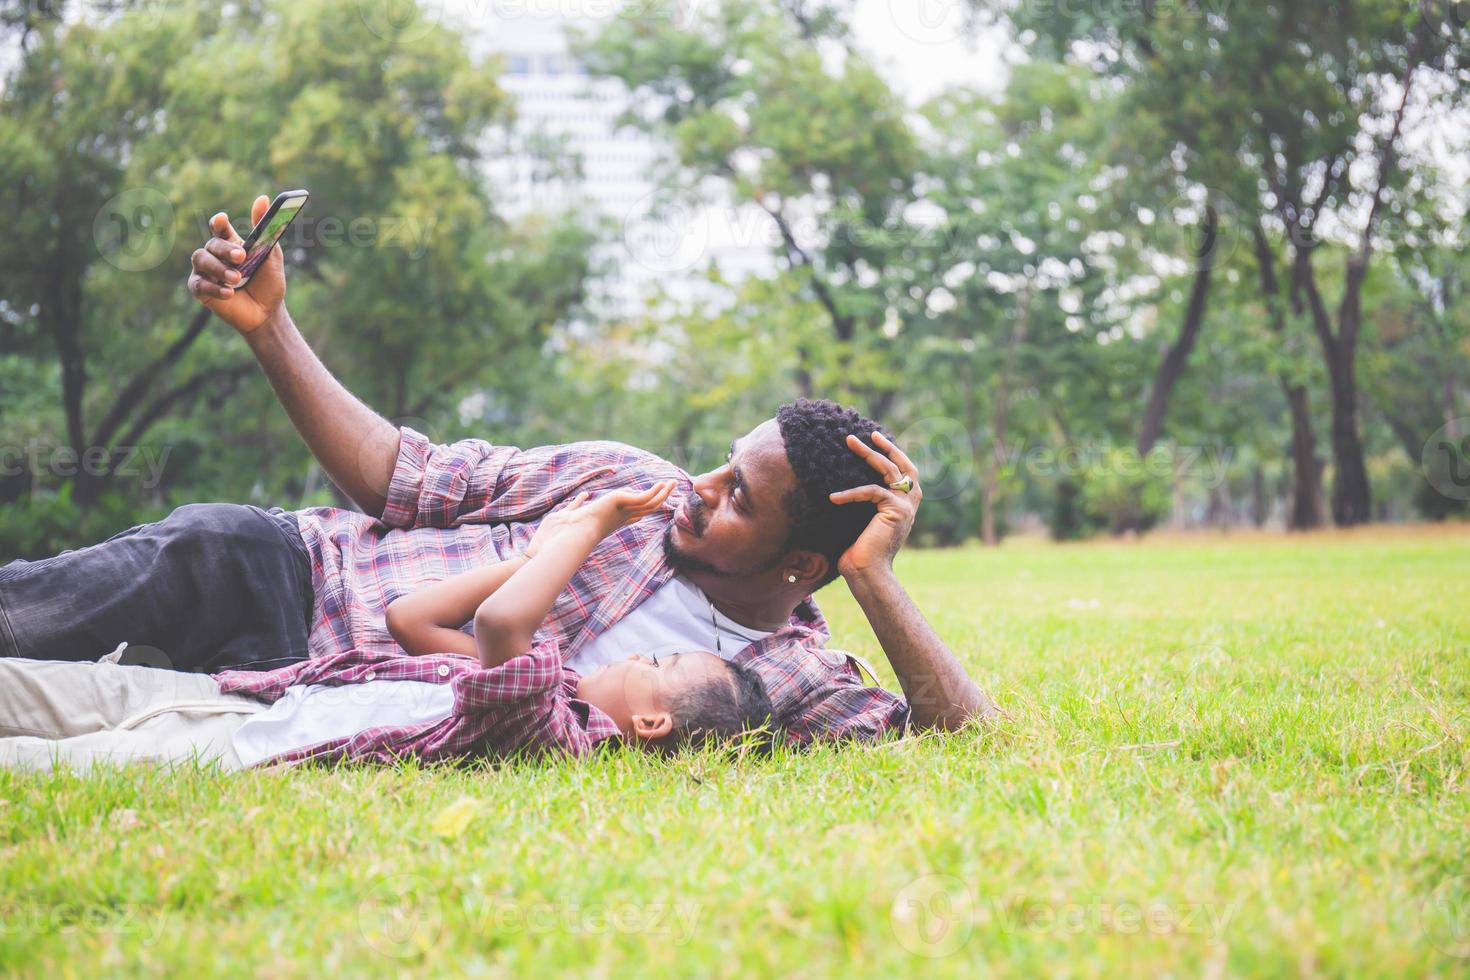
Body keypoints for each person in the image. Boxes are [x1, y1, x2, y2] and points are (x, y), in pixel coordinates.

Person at [0, 192, 996, 745]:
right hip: (277, 572)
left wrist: (874, 575)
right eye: (721, 463)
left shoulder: (786, 674)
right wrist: (272, 330)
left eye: (740, 498)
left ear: (803, 566)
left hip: (288, 700)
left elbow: (966, 743)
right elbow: (404, 477)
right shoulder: (624, 481)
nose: (701, 486)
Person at [0, 482, 773, 772]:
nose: (639, 650)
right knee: (54, 689)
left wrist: (586, 530)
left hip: (245, 745)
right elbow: (411, 619)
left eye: (660, 661)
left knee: (51, 758)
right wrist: (531, 554)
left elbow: (504, 628)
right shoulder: (552, 688)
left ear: (647, 719)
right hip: (256, 695)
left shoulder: (553, 733)